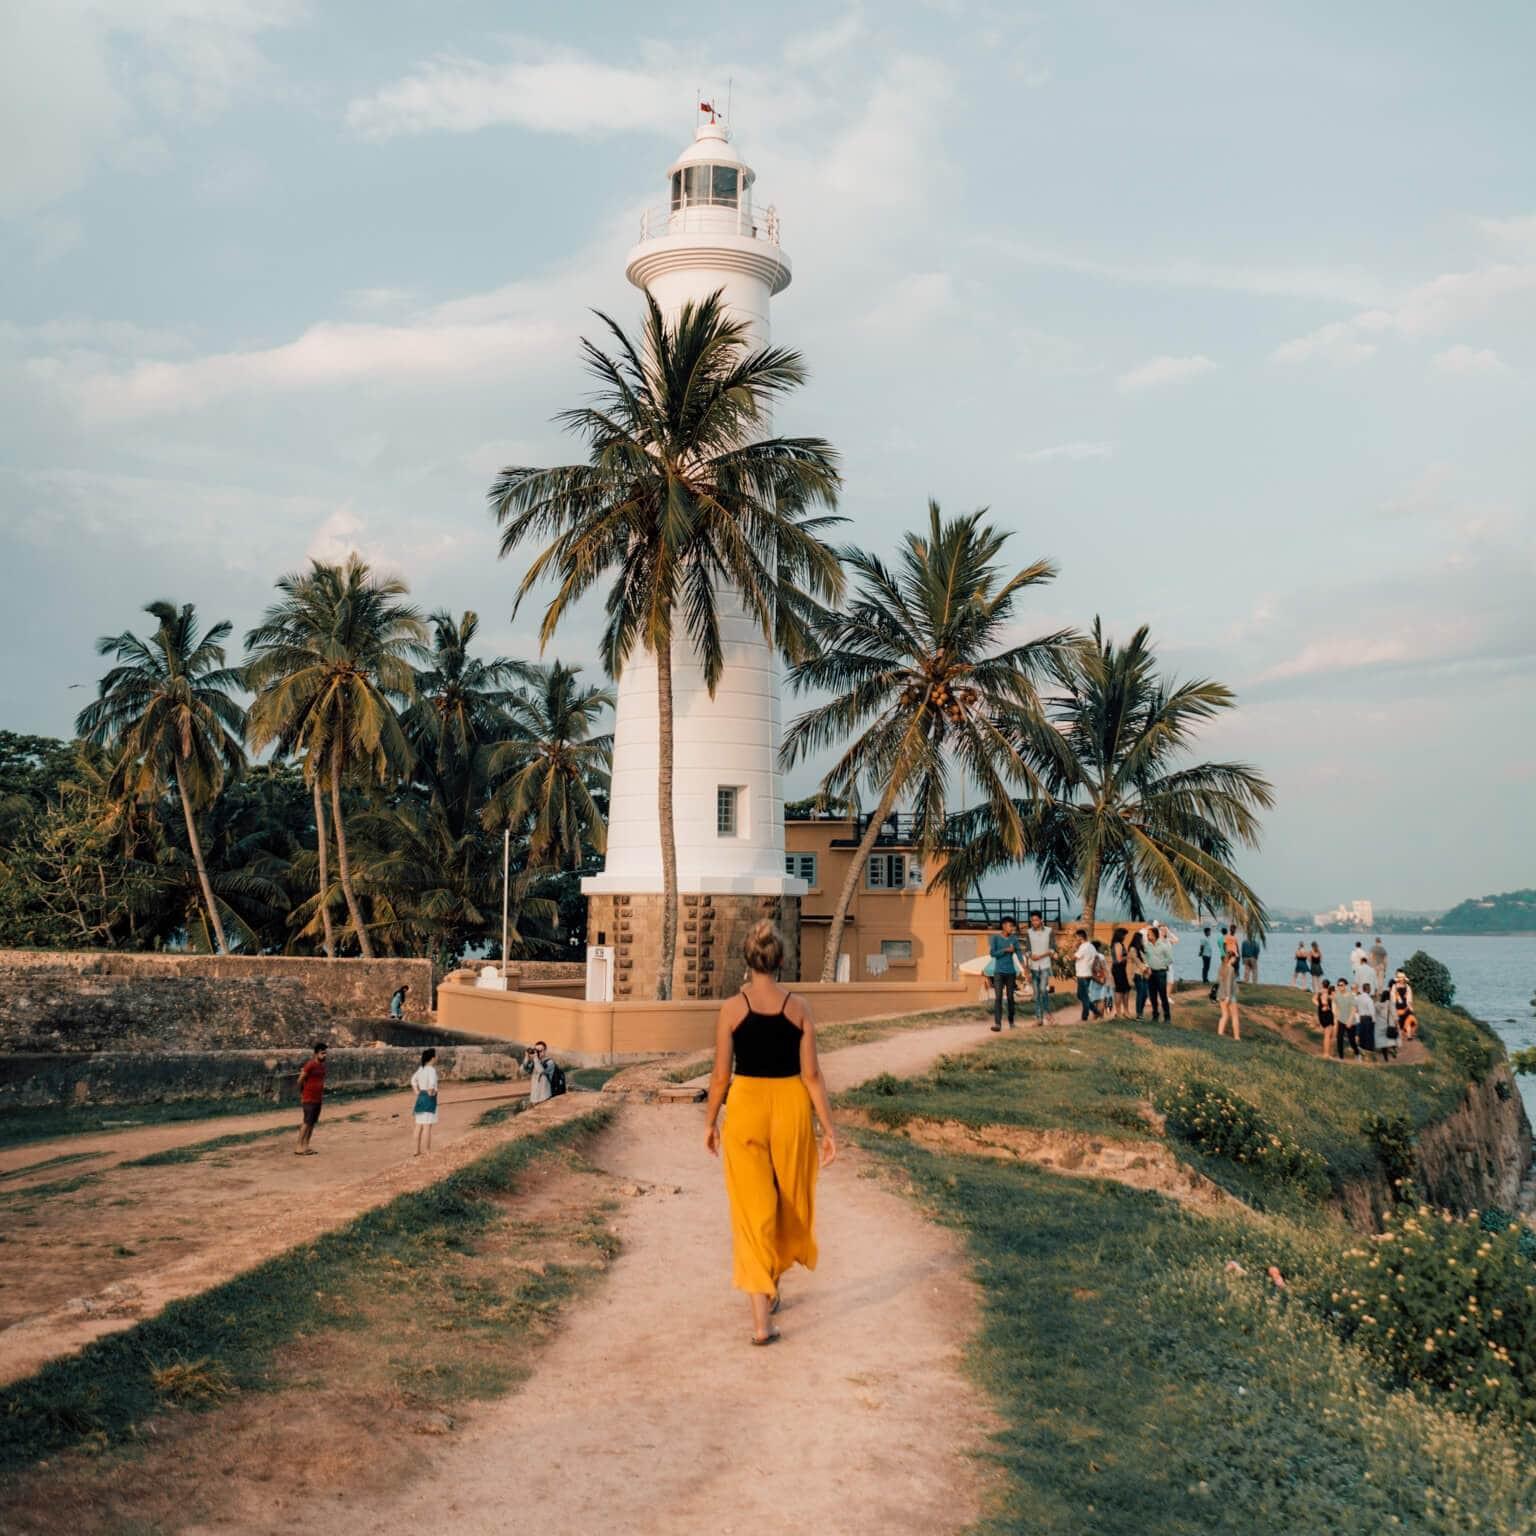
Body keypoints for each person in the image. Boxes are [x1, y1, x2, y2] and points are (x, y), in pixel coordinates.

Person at [704, 922, 837, 1347]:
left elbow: (721, 1075)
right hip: (790, 1107)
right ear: (781, 960)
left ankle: (761, 1320)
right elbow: (812, 1075)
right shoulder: (799, 1008)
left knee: (751, 1210)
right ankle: (772, 1285)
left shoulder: (730, 1009)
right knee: (786, 1200)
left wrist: (709, 1123)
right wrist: (829, 1130)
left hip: (745, 1107)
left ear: (747, 961)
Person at [988, 916, 1024, 1032]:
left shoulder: (1014, 939)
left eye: (1013, 926)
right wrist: (1005, 950)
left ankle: (1011, 1022)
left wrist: (1024, 967)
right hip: (998, 972)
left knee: (1010, 998)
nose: (1012, 928)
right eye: (1010, 926)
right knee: (998, 998)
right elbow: (992, 954)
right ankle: (997, 1024)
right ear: (1004, 926)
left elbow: (1019, 953)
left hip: (1010, 972)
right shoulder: (995, 938)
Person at [295, 1041, 327, 1155]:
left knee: (312, 1123)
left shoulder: (322, 1067)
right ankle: (298, 1147)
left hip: (318, 1099)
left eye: (325, 1053)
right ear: (316, 1053)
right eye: (323, 1053)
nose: (325, 1055)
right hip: (309, 1098)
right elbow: (300, 1080)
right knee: (306, 1122)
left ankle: (306, 1146)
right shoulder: (310, 1065)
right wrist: (302, 1094)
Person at [1024, 912, 1055, 1025]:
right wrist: (1030, 956)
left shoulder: (1049, 931)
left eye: (1036, 920)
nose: (1034, 922)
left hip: (1045, 965)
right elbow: (1027, 949)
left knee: (1043, 989)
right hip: (1033, 966)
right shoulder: (1028, 932)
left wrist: (1040, 956)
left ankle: (1047, 1013)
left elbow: (1052, 949)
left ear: (1041, 920)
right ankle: (1039, 1018)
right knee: (1036, 993)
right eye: (1032, 920)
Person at [410, 1048, 439, 1154]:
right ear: (433, 1058)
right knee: (427, 1126)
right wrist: (431, 1092)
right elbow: (432, 1084)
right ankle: (427, 1150)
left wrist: (417, 1091)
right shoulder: (431, 1069)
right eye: (436, 1056)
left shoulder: (421, 1069)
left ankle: (416, 1150)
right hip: (428, 1097)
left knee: (418, 1125)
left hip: (420, 1096)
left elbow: (413, 1080)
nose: (437, 1058)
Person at [1144, 925, 1174, 1022]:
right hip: (1151, 973)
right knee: (1152, 995)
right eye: (1147, 935)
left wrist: (1161, 964)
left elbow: (1169, 959)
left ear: (1155, 935)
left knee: (1163, 995)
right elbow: (1145, 957)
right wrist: (1147, 966)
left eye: (1149, 935)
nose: (1148, 936)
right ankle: (1155, 1015)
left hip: (1161, 973)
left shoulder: (1163, 946)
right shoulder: (1147, 946)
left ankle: (1167, 1017)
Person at [1072, 928, 1100, 1021]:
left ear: (1080, 937)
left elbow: (1074, 957)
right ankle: (1096, 1011)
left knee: (1083, 996)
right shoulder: (1091, 946)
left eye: (1076, 937)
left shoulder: (1083, 947)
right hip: (1088, 973)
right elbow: (1096, 957)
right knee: (1081, 995)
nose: (1075, 939)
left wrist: (1073, 947)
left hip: (1082, 974)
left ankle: (1085, 1016)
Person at [1215, 946, 1241, 1040]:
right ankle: (1237, 1037)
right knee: (1235, 1016)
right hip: (1229, 995)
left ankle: (1220, 1033)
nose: (1235, 960)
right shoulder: (1231, 969)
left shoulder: (1221, 967)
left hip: (1221, 994)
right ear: (1231, 958)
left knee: (1224, 1015)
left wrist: (1221, 995)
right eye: (1234, 958)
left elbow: (1218, 981)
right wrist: (1228, 997)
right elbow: (1229, 983)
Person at [1109, 927, 1132, 1019]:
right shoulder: (1118, 944)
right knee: (1120, 990)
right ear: (1120, 935)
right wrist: (1128, 956)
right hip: (1118, 969)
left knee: (1125, 989)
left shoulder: (1119, 944)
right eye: (1124, 935)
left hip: (1121, 969)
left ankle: (1125, 1011)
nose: (1125, 937)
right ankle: (1119, 1012)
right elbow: (1119, 959)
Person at [1128, 929, 1150, 1018]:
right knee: (1141, 993)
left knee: (1145, 994)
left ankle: (1140, 1011)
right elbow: (1137, 960)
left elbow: (1146, 959)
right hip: (1138, 974)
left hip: (1144, 974)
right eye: (1141, 939)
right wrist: (1145, 968)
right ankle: (1139, 1013)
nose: (1143, 940)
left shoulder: (1141, 949)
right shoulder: (1133, 949)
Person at [1333, 977, 1357, 1059]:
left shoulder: (1351, 996)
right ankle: (1341, 1057)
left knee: (1352, 1041)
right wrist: (1336, 1015)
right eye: (1339, 985)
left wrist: (1350, 1020)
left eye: (1342, 985)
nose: (1340, 987)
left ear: (1345, 985)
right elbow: (1335, 1005)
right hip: (1341, 1020)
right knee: (1339, 1038)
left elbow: (1354, 1009)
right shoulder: (1337, 995)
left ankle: (1357, 1053)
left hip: (1351, 1021)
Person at [1355, 983, 1377, 1059]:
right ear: (1368, 989)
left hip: (1361, 1017)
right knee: (1369, 1035)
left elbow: (1356, 1007)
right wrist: (1374, 1020)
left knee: (1362, 1034)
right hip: (1368, 1018)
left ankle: (1362, 1049)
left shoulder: (1358, 997)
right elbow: (1372, 1011)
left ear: (1363, 989)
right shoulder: (1369, 999)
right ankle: (1369, 1050)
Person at [1316, 981, 1337, 1059]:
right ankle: (1326, 1054)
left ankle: (1327, 1053)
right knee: (1327, 1035)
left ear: (1322, 984)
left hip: (1322, 1014)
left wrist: (1320, 1006)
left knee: (1327, 1034)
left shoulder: (1319, 992)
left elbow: (1315, 1000)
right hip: (1327, 1015)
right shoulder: (1326, 993)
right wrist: (1326, 1006)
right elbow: (1325, 1002)